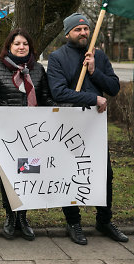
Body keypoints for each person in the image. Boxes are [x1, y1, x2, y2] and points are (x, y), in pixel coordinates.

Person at [47, 13, 129, 245]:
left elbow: (113, 88)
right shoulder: (57, 58)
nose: (83, 33)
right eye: (78, 29)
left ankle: (104, 220)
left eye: (86, 29)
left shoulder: (99, 57)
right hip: (69, 126)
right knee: (70, 173)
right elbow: (58, 92)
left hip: (95, 127)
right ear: (67, 34)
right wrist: (92, 98)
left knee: (105, 174)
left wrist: (94, 71)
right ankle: (73, 221)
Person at [0, 28, 56, 241]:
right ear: (9, 47)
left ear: (30, 47)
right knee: (10, 177)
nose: (21, 47)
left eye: (25, 44)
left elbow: (46, 98)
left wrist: (63, 111)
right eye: (17, 44)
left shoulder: (37, 70)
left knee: (27, 174)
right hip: (8, 137)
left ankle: (23, 218)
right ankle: (10, 217)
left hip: (33, 136)